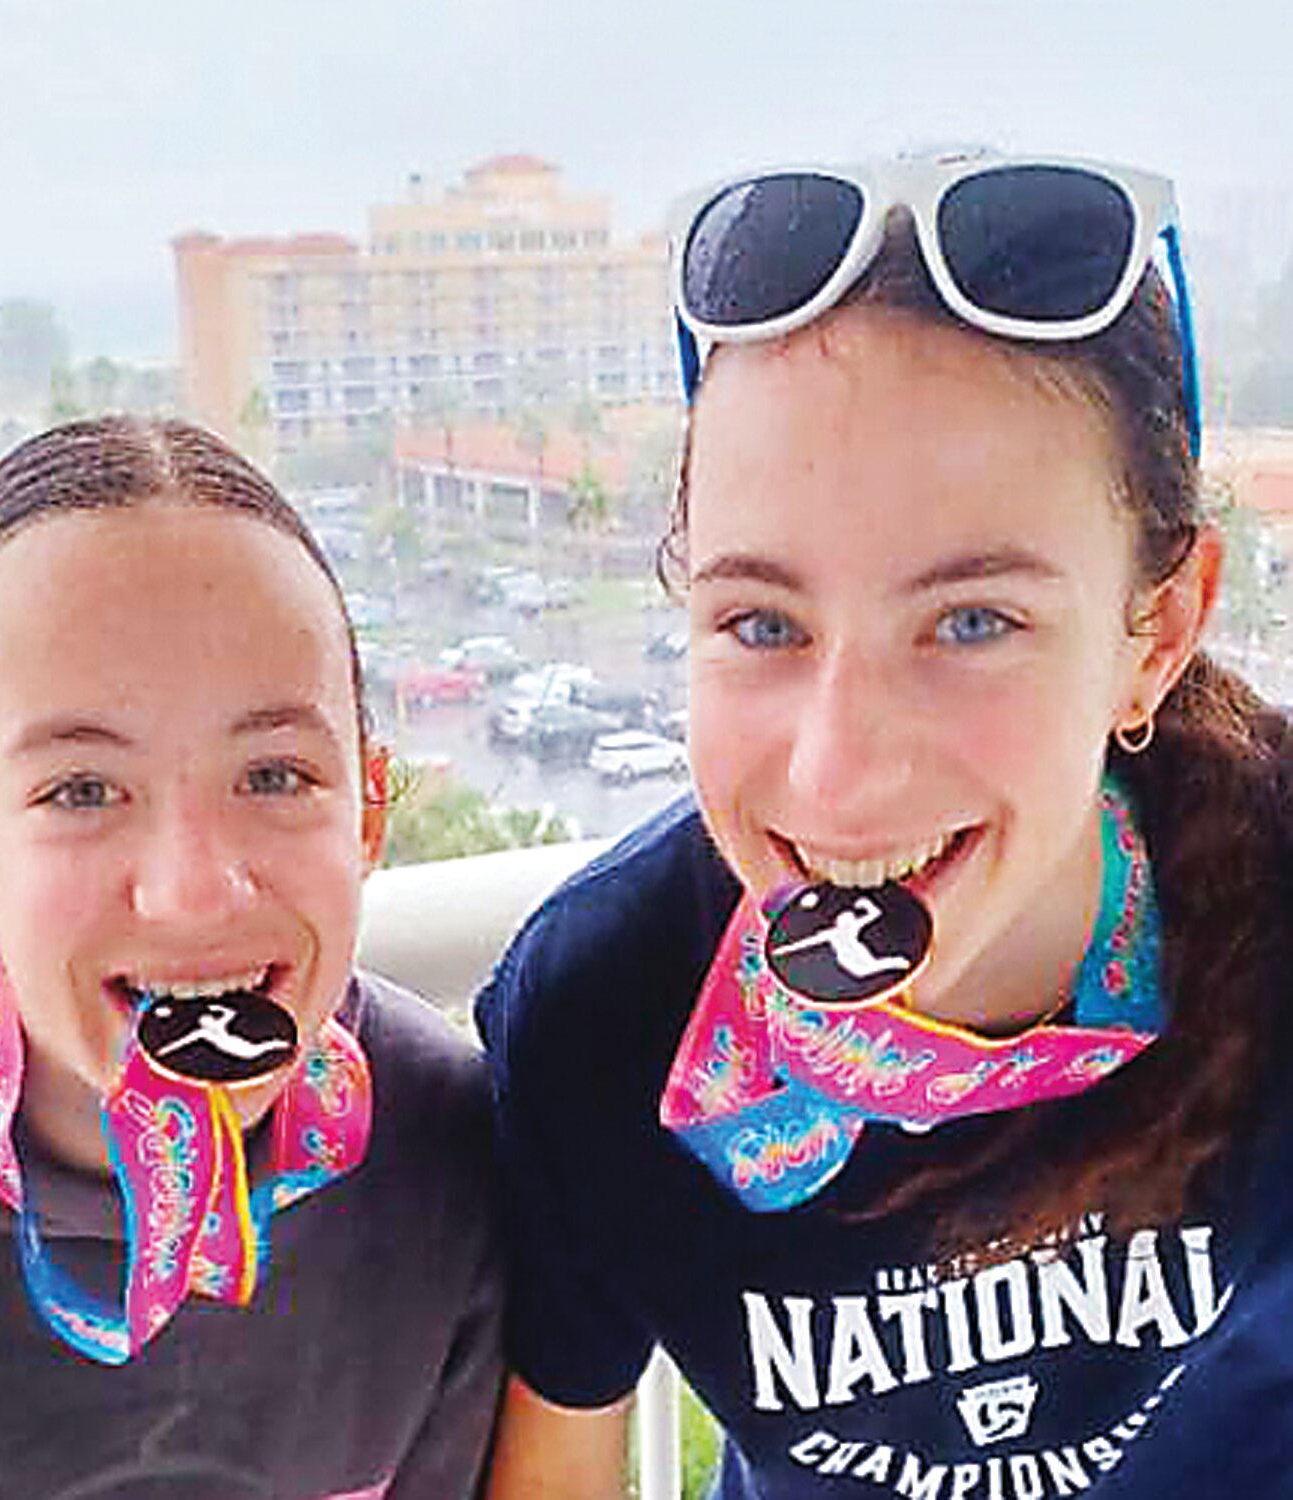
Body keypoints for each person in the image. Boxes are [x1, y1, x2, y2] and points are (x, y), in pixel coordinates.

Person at [477, 151, 1293, 1498]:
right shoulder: (602, 1010)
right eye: (760, 623)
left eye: (973, 623)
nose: (837, 774)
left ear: (1159, 632)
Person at [0, 417, 502, 1498]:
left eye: (272, 776)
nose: (195, 890)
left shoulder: (443, 1155)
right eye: (82, 791)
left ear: (365, 809)